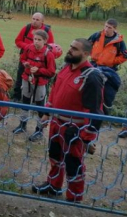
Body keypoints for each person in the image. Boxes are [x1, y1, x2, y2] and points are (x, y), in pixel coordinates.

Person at [32, 38, 104, 203]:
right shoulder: (66, 68)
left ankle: (74, 196)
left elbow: (94, 111)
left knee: (73, 163)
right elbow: (54, 93)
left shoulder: (91, 77)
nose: (69, 50)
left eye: (75, 49)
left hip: (74, 128)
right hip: (56, 123)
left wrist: (85, 137)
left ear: (85, 54)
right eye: (70, 46)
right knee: (55, 156)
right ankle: (53, 186)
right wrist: (47, 114)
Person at [13, 30, 56, 141]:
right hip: (26, 79)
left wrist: (39, 70)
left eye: (39, 40)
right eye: (35, 39)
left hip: (40, 83)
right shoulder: (28, 48)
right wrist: (25, 64)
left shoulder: (48, 54)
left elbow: (51, 72)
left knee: (40, 106)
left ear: (45, 41)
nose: (36, 42)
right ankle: (22, 125)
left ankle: (39, 130)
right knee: (25, 103)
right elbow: (22, 58)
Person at [88, 19, 127, 114]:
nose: (106, 29)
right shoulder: (97, 35)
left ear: (114, 29)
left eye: (109, 27)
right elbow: (86, 45)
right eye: (105, 26)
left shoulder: (119, 42)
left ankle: (104, 113)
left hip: (108, 70)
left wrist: (112, 61)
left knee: (106, 93)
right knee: (90, 90)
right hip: (94, 65)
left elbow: (125, 56)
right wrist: (91, 54)